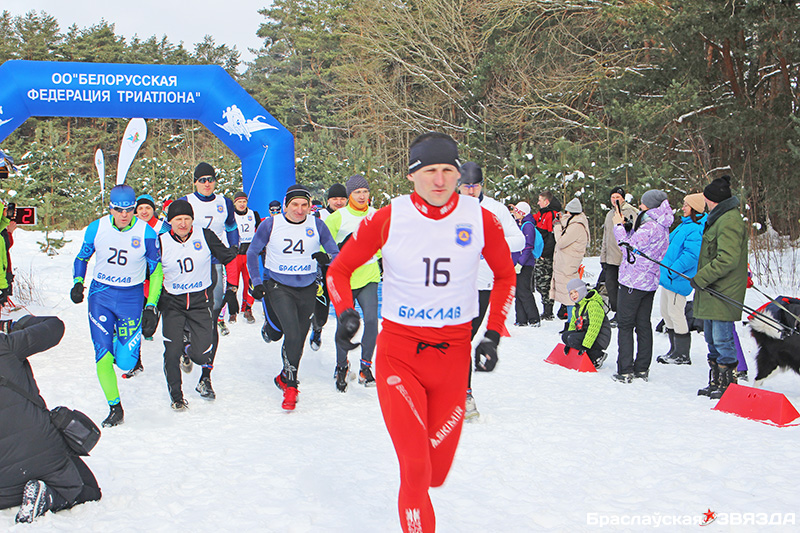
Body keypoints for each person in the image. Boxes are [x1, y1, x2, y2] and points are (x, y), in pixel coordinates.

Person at [327, 132, 515, 533]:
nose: (440, 180)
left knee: (435, 474)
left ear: (459, 174)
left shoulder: (480, 218)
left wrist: (493, 334)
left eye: (448, 170)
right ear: (412, 175)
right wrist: (346, 313)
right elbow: (338, 270)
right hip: (400, 355)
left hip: (453, 359)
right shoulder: (389, 217)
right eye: (430, 171)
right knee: (415, 467)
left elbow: (505, 275)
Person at [71, 184, 163, 427]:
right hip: (100, 297)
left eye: (129, 209)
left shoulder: (146, 233)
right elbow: (82, 257)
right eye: (119, 210)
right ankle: (115, 407)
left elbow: (156, 271)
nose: (124, 215)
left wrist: (151, 306)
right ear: (110, 208)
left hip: (130, 299)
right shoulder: (96, 228)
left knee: (126, 363)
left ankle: (114, 340)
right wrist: (78, 282)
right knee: (103, 357)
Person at [0, 315, 102, 523]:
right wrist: (15, 325)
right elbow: (55, 326)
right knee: (88, 489)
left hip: (3, 486)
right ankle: (48, 497)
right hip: (41, 450)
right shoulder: (7, 345)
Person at [246, 184, 339, 411]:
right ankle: (291, 385)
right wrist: (256, 281)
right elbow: (252, 252)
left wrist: (326, 258)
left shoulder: (317, 225)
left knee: (298, 337)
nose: (299, 210)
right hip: (278, 286)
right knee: (290, 333)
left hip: (307, 287)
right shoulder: (271, 224)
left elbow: (335, 254)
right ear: (285, 206)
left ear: (310, 206)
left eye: (304, 205)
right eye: (295, 204)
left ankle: (285, 378)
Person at [152, 200, 237, 409]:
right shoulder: (160, 241)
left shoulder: (205, 235)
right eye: (178, 219)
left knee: (201, 355)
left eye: (187, 219)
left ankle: (188, 346)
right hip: (173, 303)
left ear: (192, 219)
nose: (183, 224)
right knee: (171, 352)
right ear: (170, 221)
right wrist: (151, 304)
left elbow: (229, 258)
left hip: (200, 302)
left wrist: (232, 289)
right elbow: (151, 273)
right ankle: (176, 396)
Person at [457, 161, 524, 420]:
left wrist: (490, 242)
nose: (471, 191)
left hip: (483, 285)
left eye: (475, 186)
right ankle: (458, 392)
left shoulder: (495, 209)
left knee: (463, 340)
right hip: (454, 286)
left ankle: (464, 395)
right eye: (466, 186)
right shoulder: (449, 210)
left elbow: (519, 239)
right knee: (455, 340)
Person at [180, 163, 239, 396]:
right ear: (195, 182)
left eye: (210, 179)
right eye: (202, 180)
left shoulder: (225, 202)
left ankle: (206, 377)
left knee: (212, 317)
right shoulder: (186, 201)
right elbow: (168, 229)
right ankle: (186, 344)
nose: (207, 183)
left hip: (214, 263)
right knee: (187, 310)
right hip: (189, 265)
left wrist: (234, 248)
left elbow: (231, 226)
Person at [692, 176, 748, 399]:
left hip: (723, 290)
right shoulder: (718, 218)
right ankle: (716, 381)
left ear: (712, 199)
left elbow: (728, 259)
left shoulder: (729, 221)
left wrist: (701, 278)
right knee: (711, 339)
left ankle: (728, 385)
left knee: (723, 339)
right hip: (711, 290)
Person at [325, 175, 381, 392]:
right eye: (357, 192)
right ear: (350, 195)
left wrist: (377, 255)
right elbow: (323, 245)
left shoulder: (376, 215)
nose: (362, 196)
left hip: (368, 276)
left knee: (371, 320)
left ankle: (366, 367)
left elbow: (385, 242)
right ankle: (341, 365)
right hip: (344, 278)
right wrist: (340, 250)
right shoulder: (338, 217)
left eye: (365, 191)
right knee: (345, 324)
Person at [612, 189, 672, 383]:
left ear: (650, 205)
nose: (640, 205)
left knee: (626, 324)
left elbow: (628, 249)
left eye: (643, 202)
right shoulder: (661, 224)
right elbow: (640, 246)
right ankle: (642, 368)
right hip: (649, 281)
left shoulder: (650, 226)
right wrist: (629, 228)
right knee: (643, 324)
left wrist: (618, 226)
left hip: (634, 280)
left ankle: (625, 369)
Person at [656, 193, 706, 365]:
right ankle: (674, 350)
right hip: (668, 277)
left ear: (694, 208)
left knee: (676, 313)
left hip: (678, 279)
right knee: (666, 312)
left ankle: (682, 354)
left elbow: (691, 255)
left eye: (686, 205)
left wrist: (673, 270)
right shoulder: (685, 225)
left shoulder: (696, 228)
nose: (683, 208)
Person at [309, 183, 347, 350]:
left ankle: (344, 341)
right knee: (322, 306)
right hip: (323, 266)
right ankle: (317, 328)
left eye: (342, 199)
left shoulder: (350, 215)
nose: (338, 202)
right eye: (335, 199)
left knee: (344, 306)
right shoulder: (319, 215)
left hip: (345, 267)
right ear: (328, 200)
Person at [599, 187, 637, 324]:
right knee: (611, 285)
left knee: (623, 288)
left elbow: (633, 233)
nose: (615, 200)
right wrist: (603, 257)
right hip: (610, 258)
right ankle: (617, 311)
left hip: (624, 258)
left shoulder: (630, 212)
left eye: (618, 197)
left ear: (623, 199)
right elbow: (606, 237)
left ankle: (623, 314)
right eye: (613, 197)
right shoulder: (610, 214)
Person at [550, 198, 590, 321]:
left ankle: (573, 323)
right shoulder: (574, 224)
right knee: (568, 295)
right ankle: (570, 322)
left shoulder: (577, 226)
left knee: (571, 296)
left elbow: (561, 242)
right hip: (566, 264)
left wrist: (557, 226)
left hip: (568, 265)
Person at [225, 191, 262, 324]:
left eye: (244, 201)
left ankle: (247, 308)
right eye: (239, 202)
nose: (242, 204)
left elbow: (260, 231)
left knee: (249, 282)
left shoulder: (253, 214)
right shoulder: (230, 215)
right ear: (235, 203)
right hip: (235, 255)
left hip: (249, 254)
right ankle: (232, 311)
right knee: (232, 284)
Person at [561, 279, 611, 369]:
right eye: (571, 293)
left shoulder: (593, 304)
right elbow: (573, 325)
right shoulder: (577, 307)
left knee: (573, 338)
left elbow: (594, 328)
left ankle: (597, 355)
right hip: (586, 334)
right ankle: (585, 353)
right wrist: (568, 344)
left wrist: (585, 346)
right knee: (566, 336)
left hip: (599, 337)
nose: (573, 295)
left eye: (575, 292)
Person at [511, 201, 543, 327]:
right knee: (519, 291)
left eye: (517, 212)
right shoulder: (519, 224)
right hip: (517, 264)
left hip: (525, 264)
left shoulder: (528, 225)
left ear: (522, 213)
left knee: (524, 291)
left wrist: (521, 263)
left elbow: (528, 246)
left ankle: (534, 318)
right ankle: (521, 319)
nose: (514, 213)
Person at [532, 191, 562, 320]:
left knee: (546, 282)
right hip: (540, 253)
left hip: (546, 255)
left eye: (540, 200)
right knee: (539, 282)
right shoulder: (542, 213)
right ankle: (546, 309)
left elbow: (552, 237)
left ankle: (548, 310)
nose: (538, 203)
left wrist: (545, 253)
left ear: (546, 201)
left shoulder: (552, 215)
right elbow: (532, 218)